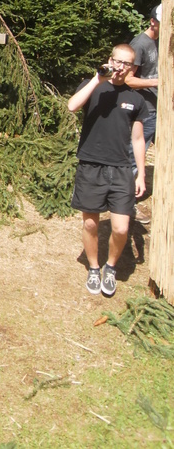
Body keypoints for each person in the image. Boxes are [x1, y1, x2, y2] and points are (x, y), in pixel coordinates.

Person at [67, 44, 147, 297]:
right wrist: (97, 79)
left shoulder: (136, 99)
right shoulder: (92, 86)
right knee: (91, 224)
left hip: (122, 169)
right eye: (117, 61)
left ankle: (110, 268)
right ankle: (93, 268)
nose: (121, 67)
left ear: (133, 67)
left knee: (121, 228)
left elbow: (138, 139)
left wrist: (141, 174)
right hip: (91, 165)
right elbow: (72, 106)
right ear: (110, 60)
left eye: (127, 63)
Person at [125, 4, 161, 223]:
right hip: (144, 111)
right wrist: (158, 82)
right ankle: (126, 205)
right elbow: (127, 79)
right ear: (152, 21)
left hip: (159, 110)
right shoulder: (140, 44)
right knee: (133, 158)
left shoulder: (160, 42)